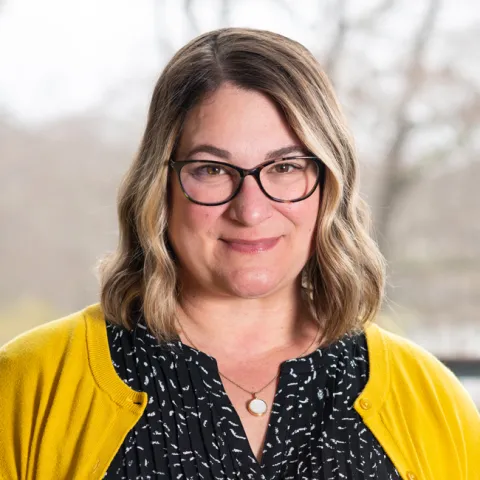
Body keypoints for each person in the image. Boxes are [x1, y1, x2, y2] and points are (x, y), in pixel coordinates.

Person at [0, 28, 478, 480]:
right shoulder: (31, 383)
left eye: (286, 166)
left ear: (329, 186)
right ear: (160, 185)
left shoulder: (431, 399)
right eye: (212, 169)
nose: (250, 210)